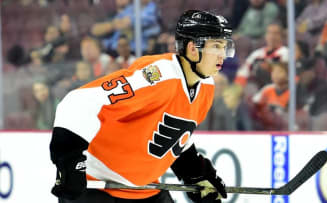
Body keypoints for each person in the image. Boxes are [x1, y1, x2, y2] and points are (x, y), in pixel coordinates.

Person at [49, 10, 235, 203]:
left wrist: (195, 171)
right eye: (216, 46)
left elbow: (174, 134)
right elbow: (77, 102)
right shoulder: (157, 76)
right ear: (193, 48)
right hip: (98, 186)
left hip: (145, 190)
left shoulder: (206, 86)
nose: (223, 54)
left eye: (225, 47)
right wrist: (70, 162)